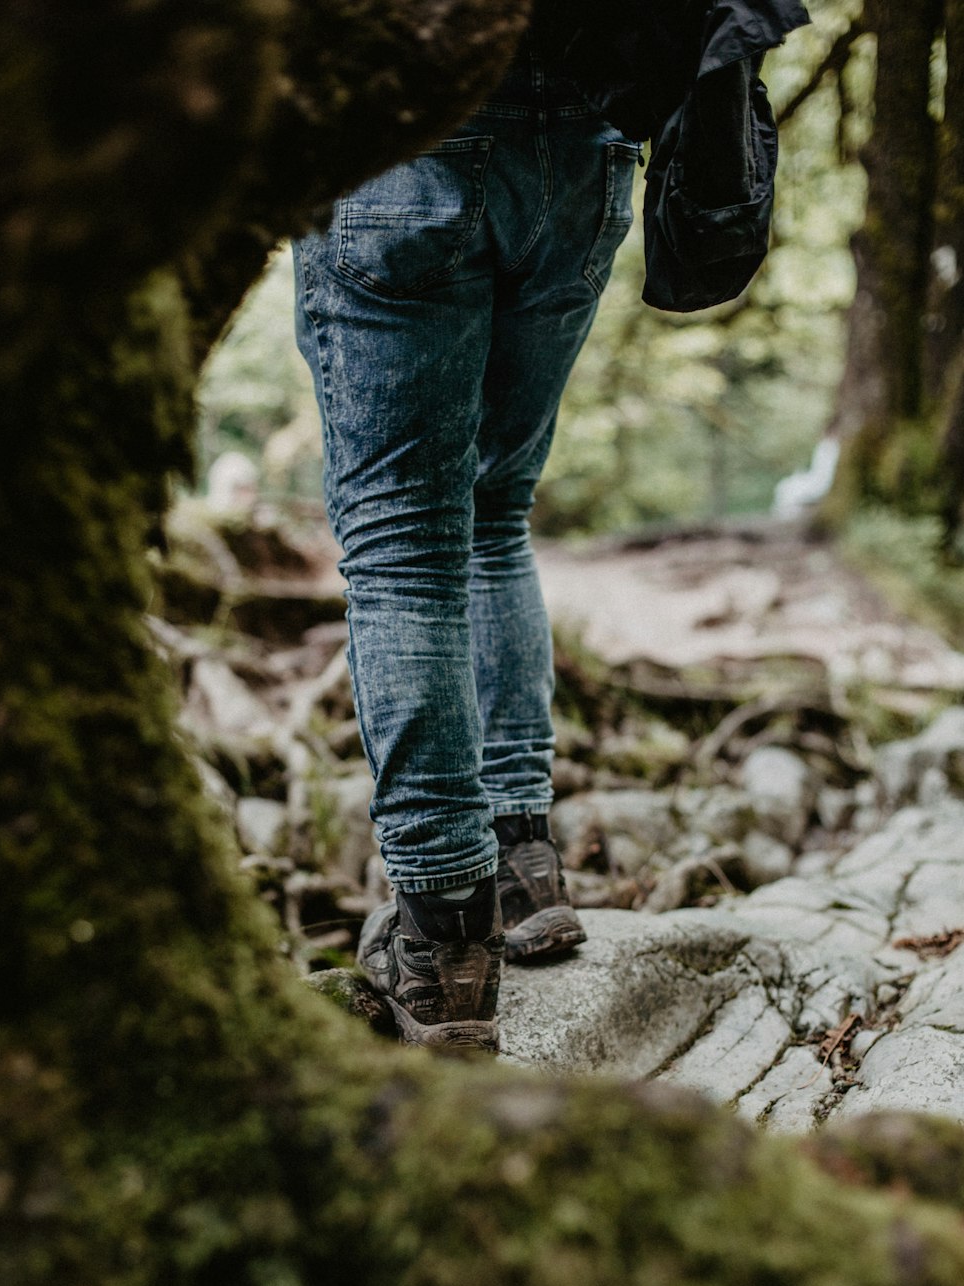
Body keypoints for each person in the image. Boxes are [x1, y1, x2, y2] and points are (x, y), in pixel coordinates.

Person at [293, 3, 804, 1051]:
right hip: (583, 139)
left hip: (406, 128)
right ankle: (522, 864)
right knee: (491, 512)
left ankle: (442, 937)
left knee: (403, 542)